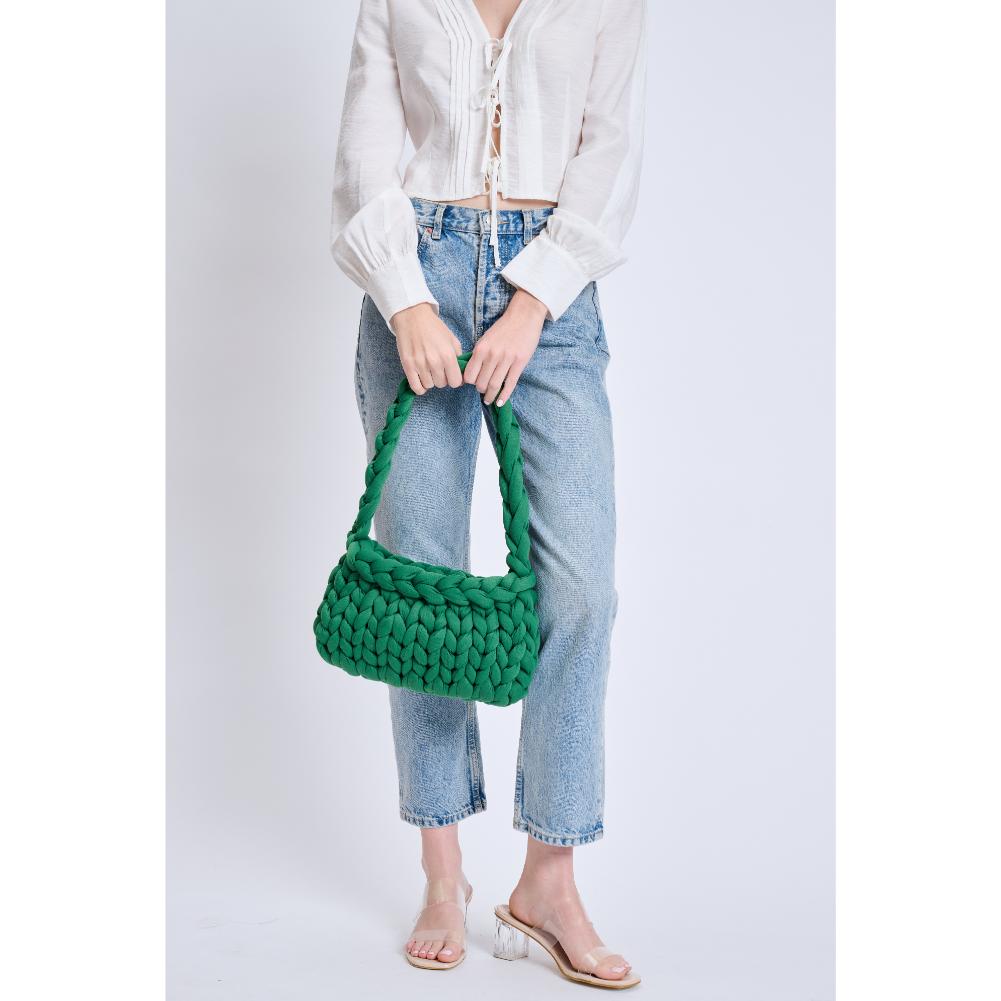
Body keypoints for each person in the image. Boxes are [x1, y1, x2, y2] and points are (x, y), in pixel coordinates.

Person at [329, 0, 646, 988]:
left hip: (550, 292)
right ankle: (442, 870)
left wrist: (533, 297)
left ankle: (547, 881)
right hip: (414, 269)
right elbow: (362, 153)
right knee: (422, 586)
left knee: (580, 589)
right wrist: (405, 298)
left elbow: (608, 148)